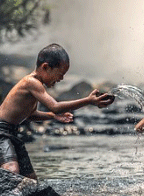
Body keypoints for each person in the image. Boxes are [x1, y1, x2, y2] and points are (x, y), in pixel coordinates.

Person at [0, 43, 114, 180]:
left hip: (12, 132)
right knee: (11, 169)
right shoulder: (31, 82)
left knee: (30, 180)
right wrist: (88, 101)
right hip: (2, 131)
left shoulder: (36, 86)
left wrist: (52, 116)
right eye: (60, 74)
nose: (61, 79)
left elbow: (31, 115)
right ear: (46, 67)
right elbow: (55, 106)